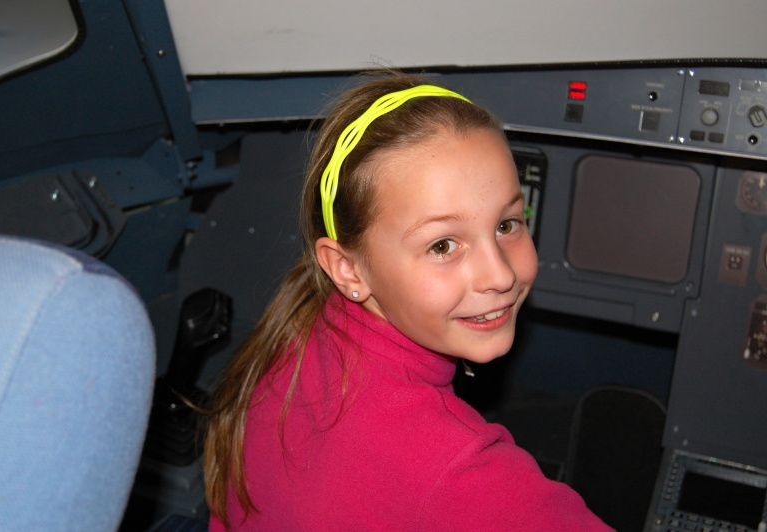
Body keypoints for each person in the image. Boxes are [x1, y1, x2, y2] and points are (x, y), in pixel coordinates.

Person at [204, 71, 613, 531]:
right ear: (347, 269)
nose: (500, 275)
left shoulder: (299, 329)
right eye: (442, 245)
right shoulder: (467, 477)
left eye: (506, 224)